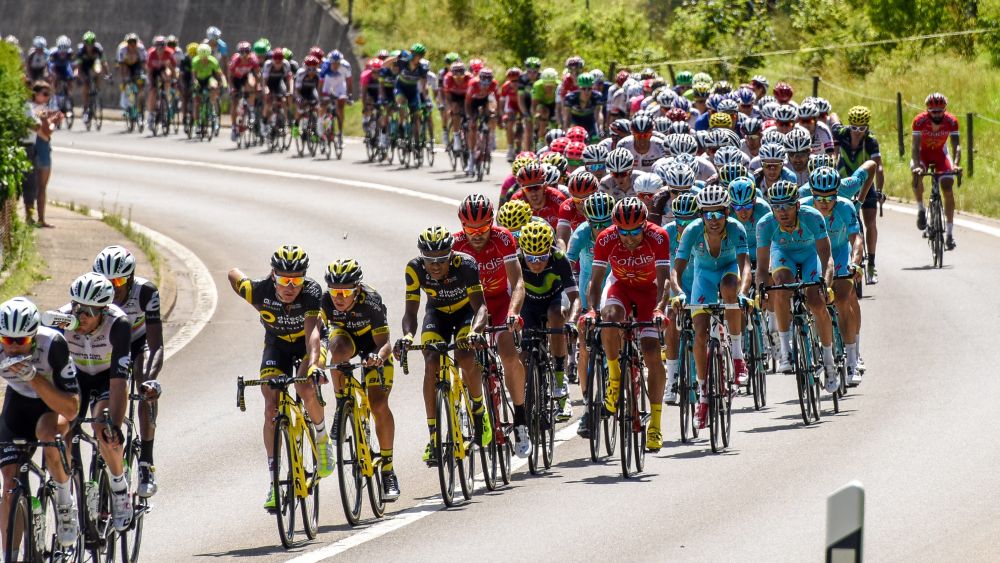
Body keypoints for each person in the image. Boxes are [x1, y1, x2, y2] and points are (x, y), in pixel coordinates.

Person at [227, 245, 334, 510]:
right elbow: (232, 274)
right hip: (277, 344)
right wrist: (249, 290)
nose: (290, 286)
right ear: (273, 275)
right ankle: (274, 482)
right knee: (271, 405)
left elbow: (312, 335)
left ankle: (322, 441)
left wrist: (313, 367)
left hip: (309, 343)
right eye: (284, 279)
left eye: (296, 280)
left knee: (305, 385)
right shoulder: (260, 290)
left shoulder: (311, 292)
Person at [394, 227, 493, 465]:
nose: (435, 266)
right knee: (431, 363)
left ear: (451, 255)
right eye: (430, 260)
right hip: (436, 315)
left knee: (465, 355)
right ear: (422, 257)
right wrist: (407, 336)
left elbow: (481, 307)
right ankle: (434, 437)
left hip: (465, 314)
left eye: (441, 259)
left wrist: (475, 332)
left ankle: (478, 409)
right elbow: (410, 311)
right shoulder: (414, 268)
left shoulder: (466, 264)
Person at [584, 198, 670, 453]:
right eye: (624, 231)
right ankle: (614, 375)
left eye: (635, 231)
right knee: (608, 318)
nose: (630, 237)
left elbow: (664, 281)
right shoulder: (606, 239)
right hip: (621, 288)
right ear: (615, 227)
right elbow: (596, 281)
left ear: (645, 225)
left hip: (649, 293)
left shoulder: (659, 237)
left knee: (652, 352)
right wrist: (592, 310)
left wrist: (659, 309)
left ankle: (654, 424)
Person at [452, 195, 531, 456]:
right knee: (466, 357)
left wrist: (513, 312)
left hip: (499, 300)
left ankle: (520, 419)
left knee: (509, 355)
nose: (476, 235)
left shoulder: (503, 238)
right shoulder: (456, 244)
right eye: (470, 229)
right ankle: (475, 409)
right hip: (471, 306)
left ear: (492, 223)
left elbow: (518, 281)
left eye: (482, 228)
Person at [54, 273, 133, 531]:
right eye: (77, 307)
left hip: (106, 378)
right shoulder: (61, 319)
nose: (81, 315)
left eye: (88, 310)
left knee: (104, 429)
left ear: (103, 310)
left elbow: (119, 380)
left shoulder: (118, 323)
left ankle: (119, 487)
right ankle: (69, 496)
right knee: (63, 433)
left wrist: (116, 427)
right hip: (75, 378)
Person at [668, 186, 751, 428]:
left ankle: (737, 356)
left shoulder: (736, 229)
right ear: (701, 216)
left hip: (727, 272)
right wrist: (680, 294)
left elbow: (745, 266)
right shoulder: (693, 231)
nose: (713, 220)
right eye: (708, 215)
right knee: (700, 334)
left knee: (729, 288)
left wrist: (743, 293)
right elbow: (676, 270)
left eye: (718, 215)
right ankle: (703, 396)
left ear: (727, 213)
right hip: (702, 277)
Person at [0, 297, 80, 548]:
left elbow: (72, 407)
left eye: (21, 341)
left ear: (34, 336)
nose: (12, 348)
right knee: (9, 484)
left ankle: (65, 504)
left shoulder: (53, 343)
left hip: (52, 402)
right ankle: (9, 555)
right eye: (7, 340)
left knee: (48, 437)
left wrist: (33, 377)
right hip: (18, 403)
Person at [321, 260, 400, 501]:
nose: (339, 297)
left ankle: (387, 469)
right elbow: (317, 334)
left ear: (357, 289)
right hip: (346, 339)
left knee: (377, 404)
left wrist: (377, 357)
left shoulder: (371, 301)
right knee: (337, 349)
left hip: (374, 346)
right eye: (335, 291)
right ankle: (341, 404)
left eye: (345, 292)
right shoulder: (324, 301)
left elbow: (385, 342)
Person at [755, 182, 839, 393]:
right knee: (780, 286)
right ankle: (785, 350)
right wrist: (761, 291)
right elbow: (762, 268)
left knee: (816, 301)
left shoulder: (813, 217)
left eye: (788, 206)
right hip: (784, 255)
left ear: (798, 206)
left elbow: (827, 257)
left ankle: (829, 362)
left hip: (811, 255)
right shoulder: (765, 225)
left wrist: (826, 285)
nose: (782, 212)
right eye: (777, 207)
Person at [92, 246, 163, 497]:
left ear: (130, 278)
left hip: (137, 342)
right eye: (106, 282)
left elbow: (156, 346)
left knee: (144, 382)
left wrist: (151, 382)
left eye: (119, 280)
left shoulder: (146, 292)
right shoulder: (91, 295)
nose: (113, 288)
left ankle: (146, 461)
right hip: (108, 345)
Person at [801, 168, 865, 386]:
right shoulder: (803, 204)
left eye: (830, 197)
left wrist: (855, 263)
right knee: (812, 299)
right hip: (814, 254)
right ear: (811, 193)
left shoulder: (845, 207)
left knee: (842, 298)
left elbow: (856, 239)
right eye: (819, 197)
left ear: (837, 193)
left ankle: (852, 360)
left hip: (838, 253)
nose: (825, 202)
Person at [516, 222, 580, 421]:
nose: (536, 263)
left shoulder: (559, 258)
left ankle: (560, 380)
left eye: (542, 257)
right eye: (531, 258)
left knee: (557, 315)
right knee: (524, 355)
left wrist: (571, 322)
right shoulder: (516, 259)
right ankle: (527, 397)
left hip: (554, 300)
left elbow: (575, 298)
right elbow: (509, 294)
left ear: (549, 251)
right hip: (529, 304)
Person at [567, 192, 614, 435]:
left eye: (605, 222)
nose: (600, 228)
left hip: (614, 289)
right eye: (595, 223)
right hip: (589, 290)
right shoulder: (582, 233)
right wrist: (570, 301)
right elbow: (567, 264)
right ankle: (587, 408)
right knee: (584, 345)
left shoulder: (618, 231)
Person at [834, 106, 885, 282]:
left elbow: (878, 167)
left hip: (865, 184)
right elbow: (832, 117)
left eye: (861, 128)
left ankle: (871, 265)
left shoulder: (871, 141)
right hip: (843, 182)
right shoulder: (841, 133)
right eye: (854, 127)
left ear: (867, 127)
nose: (857, 132)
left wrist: (879, 190)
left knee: (870, 222)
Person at [911, 92, 960, 250]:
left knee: (947, 187)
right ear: (928, 111)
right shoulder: (919, 121)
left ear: (945, 109)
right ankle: (920, 210)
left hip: (941, 154)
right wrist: (917, 165)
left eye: (941, 111)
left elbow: (956, 146)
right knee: (916, 174)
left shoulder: (951, 121)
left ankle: (950, 234)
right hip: (922, 154)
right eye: (934, 112)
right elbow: (914, 146)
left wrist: (957, 164)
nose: (938, 114)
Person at [26, 81, 62, 228]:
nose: (47, 97)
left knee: (41, 186)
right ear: (36, 94)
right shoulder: (31, 109)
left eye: (49, 95)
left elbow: (48, 130)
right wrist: (53, 121)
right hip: (38, 147)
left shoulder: (45, 110)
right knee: (32, 185)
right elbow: (46, 131)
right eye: (44, 94)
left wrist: (53, 120)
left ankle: (40, 218)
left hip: (44, 146)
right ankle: (31, 217)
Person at [228, 41, 261, 141]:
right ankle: (234, 127)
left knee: (251, 86)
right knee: (234, 102)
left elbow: (257, 75)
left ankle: (250, 107)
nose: (244, 54)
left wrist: (257, 87)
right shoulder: (235, 61)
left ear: (250, 52)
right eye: (242, 52)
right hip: (236, 79)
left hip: (246, 77)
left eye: (246, 52)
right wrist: (232, 88)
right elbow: (230, 77)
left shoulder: (253, 60)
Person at [144, 36, 176, 131]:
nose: (160, 49)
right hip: (153, 72)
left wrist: (173, 79)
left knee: (166, 76)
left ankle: (166, 97)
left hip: (164, 70)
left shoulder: (169, 53)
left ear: (165, 46)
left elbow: (173, 68)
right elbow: (149, 71)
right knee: (153, 91)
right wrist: (151, 83)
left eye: (162, 47)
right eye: (157, 47)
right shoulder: (151, 54)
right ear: (155, 47)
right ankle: (150, 115)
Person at [75, 31, 107, 124]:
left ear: (94, 43)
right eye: (87, 44)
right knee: (86, 84)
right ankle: (85, 108)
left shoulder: (98, 49)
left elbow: (104, 63)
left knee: (98, 71)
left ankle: (97, 89)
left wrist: (107, 74)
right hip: (84, 66)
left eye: (91, 44)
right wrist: (81, 77)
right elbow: (79, 68)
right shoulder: (81, 51)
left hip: (94, 64)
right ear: (84, 44)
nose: (89, 46)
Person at [320, 49, 353, 137]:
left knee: (341, 106)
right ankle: (320, 126)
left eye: (337, 63)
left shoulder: (346, 66)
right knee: (324, 104)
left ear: (340, 62)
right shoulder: (325, 66)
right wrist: (320, 96)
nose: (335, 65)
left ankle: (340, 131)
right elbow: (321, 83)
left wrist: (349, 95)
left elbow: (349, 81)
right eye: (333, 63)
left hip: (340, 85)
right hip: (328, 84)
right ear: (330, 62)